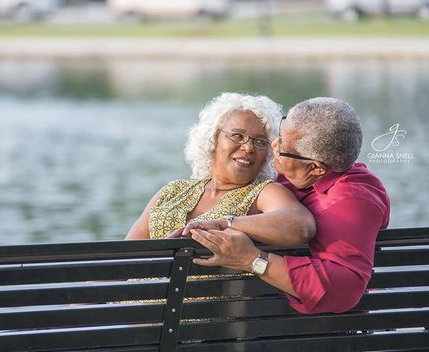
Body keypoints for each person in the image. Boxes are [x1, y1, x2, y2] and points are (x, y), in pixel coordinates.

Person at [184, 97, 390, 314]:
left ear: (316, 168)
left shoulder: (353, 199)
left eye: (282, 146)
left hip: (313, 332)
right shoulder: (291, 175)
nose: (273, 145)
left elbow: (344, 288)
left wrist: (252, 259)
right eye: (280, 133)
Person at [126, 92, 316, 245]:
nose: (248, 147)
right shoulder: (173, 190)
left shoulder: (263, 192)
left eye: (260, 141)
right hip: (141, 291)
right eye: (238, 136)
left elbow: (301, 225)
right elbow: (123, 257)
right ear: (213, 139)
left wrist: (225, 223)